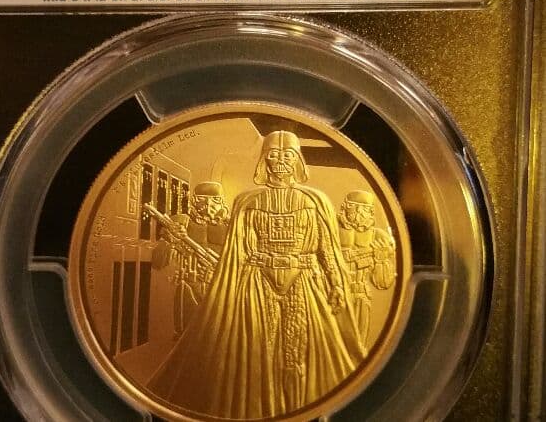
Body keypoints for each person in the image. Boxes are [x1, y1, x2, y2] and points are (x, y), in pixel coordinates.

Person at [149, 131, 358, 419]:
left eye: (288, 156)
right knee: (259, 351)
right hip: (257, 282)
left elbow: (328, 249)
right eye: (273, 155)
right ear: (263, 160)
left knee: (296, 353)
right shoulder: (246, 202)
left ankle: (297, 410)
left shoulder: (316, 201)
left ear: (298, 160)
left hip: (302, 281)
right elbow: (236, 253)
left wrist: (336, 283)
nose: (280, 162)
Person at [151, 181, 229, 338]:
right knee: (186, 335)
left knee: (222, 335)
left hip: (223, 287)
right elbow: (157, 262)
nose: (208, 205)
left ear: (222, 201)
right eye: (202, 199)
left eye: (215, 200)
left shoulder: (232, 226)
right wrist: (171, 240)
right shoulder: (181, 222)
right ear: (194, 200)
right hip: (190, 285)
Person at [338, 190, 396, 354]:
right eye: (354, 207)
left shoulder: (379, 236)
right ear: (345, 207)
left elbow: (383, 283)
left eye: (363, 209)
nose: (358, 213)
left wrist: (381, 260)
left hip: (360, 294)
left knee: (357, 347)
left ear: (371, 212)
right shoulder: (330, 229)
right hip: (333, 294)